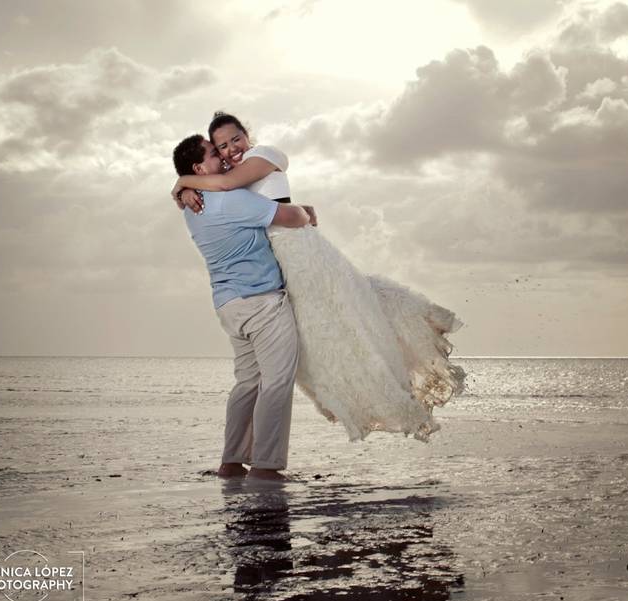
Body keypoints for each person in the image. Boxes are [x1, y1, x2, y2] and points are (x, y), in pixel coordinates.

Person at [172, 112, 465, 443]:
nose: (230, 150)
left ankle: (404, 349)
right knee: (322, 330)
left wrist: (183, 183)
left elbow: (233, 189)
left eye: (235, 139)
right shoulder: (230, 183)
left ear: (248, 135)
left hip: (295, 250)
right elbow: (253, 199)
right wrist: (184, 187)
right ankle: (343, 398)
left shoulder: (265, 155)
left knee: (349, 306)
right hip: (277, 261)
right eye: (220, 147)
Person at [172, 134, 313, 481]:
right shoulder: (230, 201)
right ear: (199, 167)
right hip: (261, 301)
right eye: (213, 153)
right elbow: (290, 217)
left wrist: (181, 187)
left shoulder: (194, 207)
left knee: (248, 382)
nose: (222, 157)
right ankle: (265, 466)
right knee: (277, 381)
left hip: (228, 304)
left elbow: (195, 188)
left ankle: (232, 462)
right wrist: (305, 211)